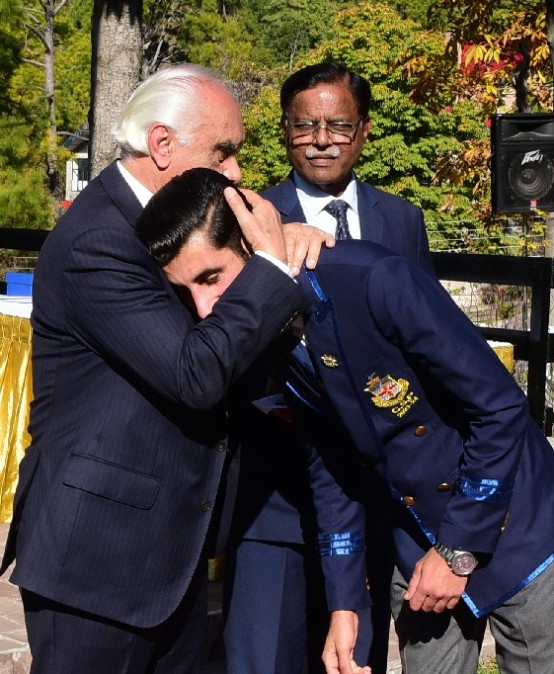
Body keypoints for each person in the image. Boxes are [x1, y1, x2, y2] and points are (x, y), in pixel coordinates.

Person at [137, 167, 554, 674]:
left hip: (519, 528)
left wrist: (458, 549)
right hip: (418, 540)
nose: (206, 310)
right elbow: (333, 464)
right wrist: (345, 602)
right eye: (187, 292)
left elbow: (500, 407)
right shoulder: (266, 334)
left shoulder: (375, 280)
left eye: (211, 278)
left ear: (253, 242)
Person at [0, 63, 331, 674]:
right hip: (99, 565)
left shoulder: (169, 223)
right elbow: (194, 373)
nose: (235, 171)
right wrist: (270, 267)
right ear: (161, 144)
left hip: (170, 556)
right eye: (222, 151)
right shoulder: (99, 239)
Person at [224, 62, 433, 674]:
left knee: (354, 662)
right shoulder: (248, 216)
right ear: (284, 131)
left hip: (374, 499)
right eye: (304, 126)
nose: (321, 140)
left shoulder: (402, 220)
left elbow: (423, 347)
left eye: (338, 125)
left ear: (363, 130)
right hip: (275, 499)